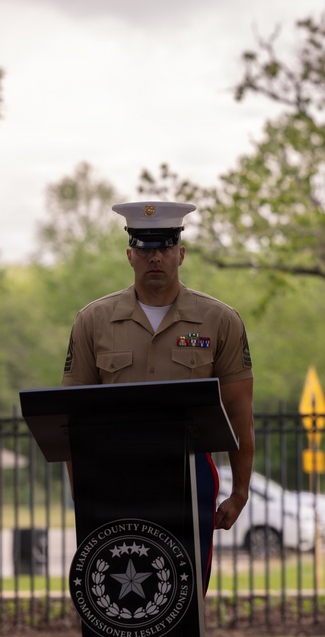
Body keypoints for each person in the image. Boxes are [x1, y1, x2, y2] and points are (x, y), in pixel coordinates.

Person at [61, 200, 254, 591]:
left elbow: (238, 411)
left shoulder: (220, 320)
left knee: (185, 592)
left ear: (181, 254)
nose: (156, 257)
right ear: (130, 255)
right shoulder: (93, 321)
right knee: (117, 598)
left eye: (165, 246)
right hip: (114, 475)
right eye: (146, 248)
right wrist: (82, 491)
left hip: (189, 474)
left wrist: (240, 491)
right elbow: (71, 418)